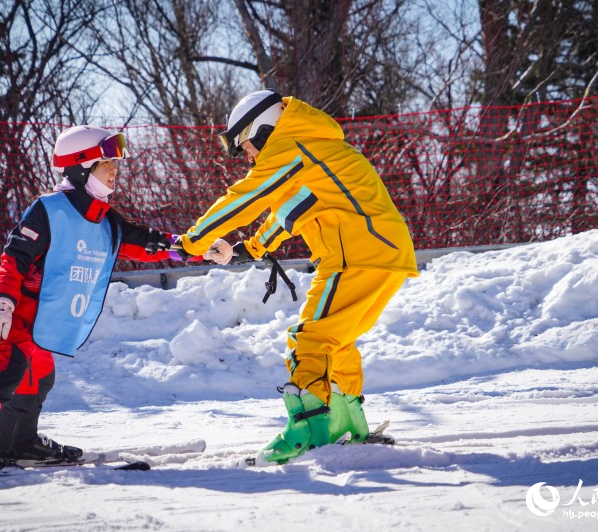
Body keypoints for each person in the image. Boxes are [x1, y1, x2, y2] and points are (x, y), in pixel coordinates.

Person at [175, 90, 419, 465]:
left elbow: (246, 197)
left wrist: (193, 239)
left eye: (245, 145)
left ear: (262, 128)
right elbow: (295, 208)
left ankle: (308, 431)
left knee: (309, 340)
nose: (248, 156)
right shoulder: (314, 148)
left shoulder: (291, 145)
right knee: (335, 341)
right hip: (379, 251)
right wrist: (248, 248)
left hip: (356, 253)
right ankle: (348, 424)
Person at [0, 125, 182, 474]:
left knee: (39, 377)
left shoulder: (104, 220)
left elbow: (145, 242)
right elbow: (14, 258)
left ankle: (18, 445)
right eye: (106, 161)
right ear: (81, 166)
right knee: (7, 373)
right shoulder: (49, 209)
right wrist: (0, 304)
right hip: (19, 316)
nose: (115, 168)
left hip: (44, 324)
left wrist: (196, 247)